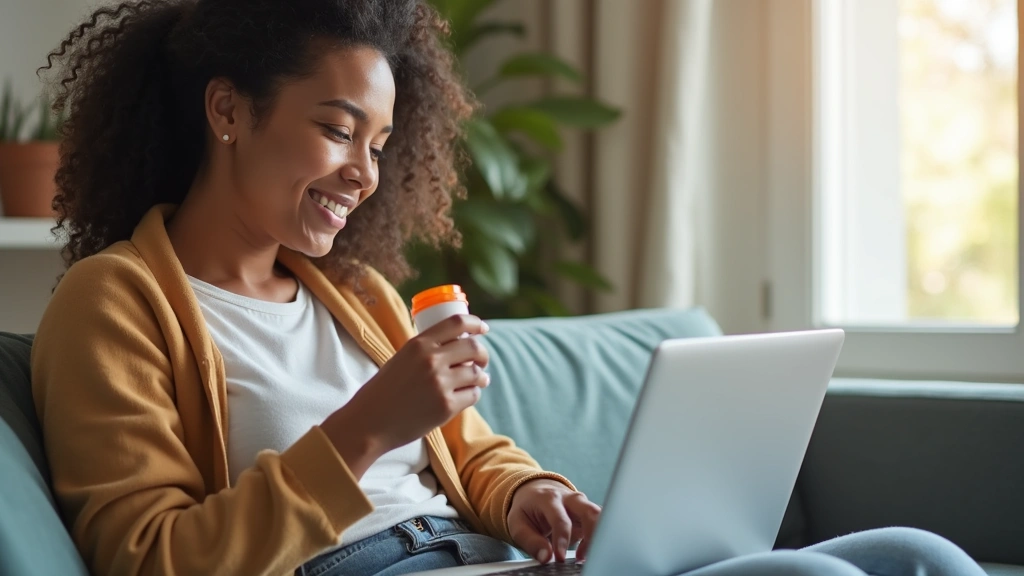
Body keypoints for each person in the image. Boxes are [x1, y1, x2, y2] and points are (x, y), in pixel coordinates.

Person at [30, 1, 988, 575]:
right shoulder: (117, 303)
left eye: (379, 144)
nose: (364, 174)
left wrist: (532, 494)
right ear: (228, 110)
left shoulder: (353, 294)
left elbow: (472, 455)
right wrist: (366, 428)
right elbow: (148, 559)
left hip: (483, 559)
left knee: (917, 555)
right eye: (336, 129)